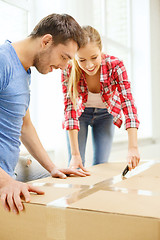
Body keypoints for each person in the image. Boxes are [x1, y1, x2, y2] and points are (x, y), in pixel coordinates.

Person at [0, 13, 90, 214]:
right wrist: (6, 182)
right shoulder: (3, 61)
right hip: (3, 178)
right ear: (46, 41)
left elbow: (25, 126)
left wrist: (52, 168)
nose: (64, 67)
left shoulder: (23, 71)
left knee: (69, 189)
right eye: (64, 57)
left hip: (8, 172)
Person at [61, 26, 140, 172]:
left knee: (101, 164)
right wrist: (74, 154)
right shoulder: (69, 68)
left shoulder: (116, 65)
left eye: (94, 57)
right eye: (82, 60)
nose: (89, 65)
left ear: (101, 50)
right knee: (76, 165)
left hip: (105, 115)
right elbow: (70, 109)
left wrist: (133, 147)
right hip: (80, 115)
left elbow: (128, 104)